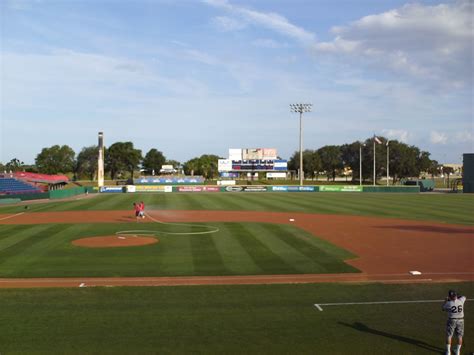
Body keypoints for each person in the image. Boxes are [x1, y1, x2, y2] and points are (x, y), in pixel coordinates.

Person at [442, 289, 466, 355]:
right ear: (456, 295)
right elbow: (464, 296)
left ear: (450, 296)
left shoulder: (449, 303)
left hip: (451, 320)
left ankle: (448, 352)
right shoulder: (461, 300)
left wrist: (445, 300)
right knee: (459, 336)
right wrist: (458, 296)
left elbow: (443, 308)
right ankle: (457, 352)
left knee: (449, 336)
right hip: (461, 320)